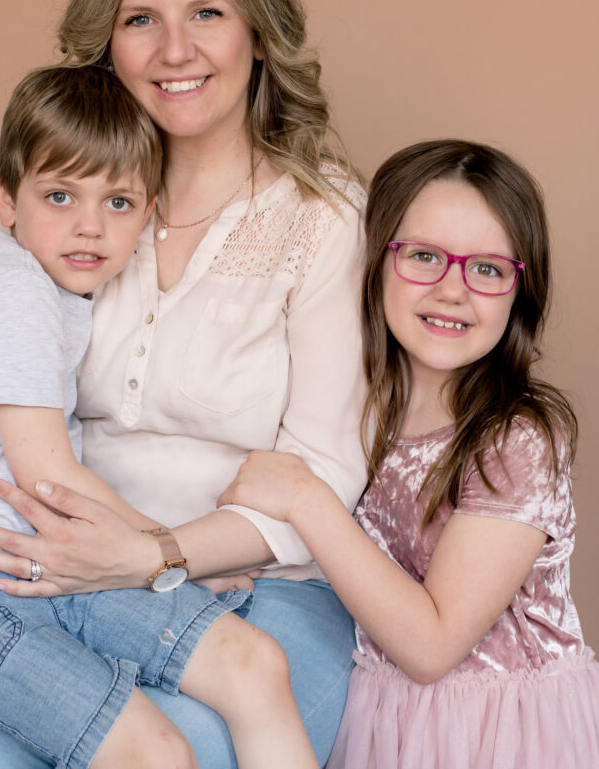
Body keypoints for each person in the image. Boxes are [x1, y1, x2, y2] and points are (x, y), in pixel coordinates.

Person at [0, 0, 368, 768]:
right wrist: (94, 558)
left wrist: (158, 554)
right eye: (139, 20)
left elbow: (326, 474)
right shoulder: (68, 218)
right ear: (104, 46)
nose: (174, 50)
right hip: (50, 564)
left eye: (206, 12)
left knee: (179, 743)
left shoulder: (321, 217)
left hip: (256, 581)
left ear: (257, 31)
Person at [220, 139, 599, 768]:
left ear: (518, 290)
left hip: (496, 735)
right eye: (423, 256)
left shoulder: (516, 438)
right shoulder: (354, 407)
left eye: (487, 268)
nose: (454, 289)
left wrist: (304, 499)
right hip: (379, 713)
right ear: (374, 264)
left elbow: (431, 645)